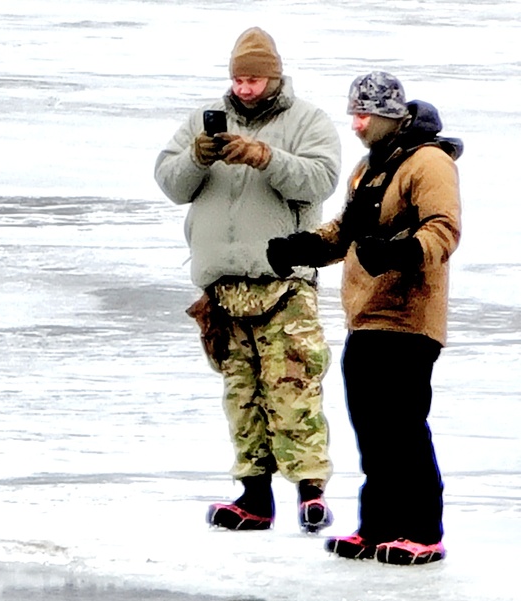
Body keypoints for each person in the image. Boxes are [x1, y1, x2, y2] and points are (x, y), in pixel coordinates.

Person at [266, 72, 462, 565]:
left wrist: (397, 254)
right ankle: (377, 527)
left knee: (402, 426)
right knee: (371, 427)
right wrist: (304, 246)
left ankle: (422, 531)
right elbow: (346, 230)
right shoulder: (369, 167)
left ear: (389, 116)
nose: (355, 124)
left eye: (363, 115)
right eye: (353, 113)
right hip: (366, 317)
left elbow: (444, 229)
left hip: (409, 318)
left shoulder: (429, 162)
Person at [154, 27, 342, 534]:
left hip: (283, 284)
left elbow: (321, 180)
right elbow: (170, 184)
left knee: (294, 389)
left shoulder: (309, 121)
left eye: (254, 79)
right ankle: (254, 497)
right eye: (238, 79)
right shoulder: (202, 120)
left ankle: (311, 493)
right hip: (222, 285)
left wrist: (264, 157)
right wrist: (197, 156)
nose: (244, 89)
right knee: (241, 394)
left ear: (273, 77)